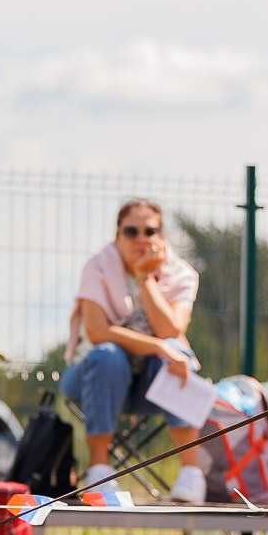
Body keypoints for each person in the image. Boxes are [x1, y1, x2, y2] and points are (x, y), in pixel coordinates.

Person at [60, 199, 207, 503]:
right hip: (91, 376)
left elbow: (170, 330)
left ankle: (191, 474)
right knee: (109, 355)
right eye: (131, 231)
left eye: (150, 231)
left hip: (149, 385)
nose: (141, 238)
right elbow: (98, 333)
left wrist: (144, 279)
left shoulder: (181, 274)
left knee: (179, 360)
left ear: (161, 238)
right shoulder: (97, 267)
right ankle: (99, 471)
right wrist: (158, 346)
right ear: (117, 236)